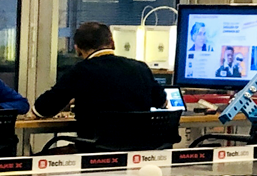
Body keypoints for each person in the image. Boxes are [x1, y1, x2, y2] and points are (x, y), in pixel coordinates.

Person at [33, 22, 166, 132]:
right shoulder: (140, 68)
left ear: (77, 49)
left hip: (95, 151)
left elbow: (43, 109)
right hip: (139, 149)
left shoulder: (81, 71)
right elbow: (161, 102)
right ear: (112, 43)